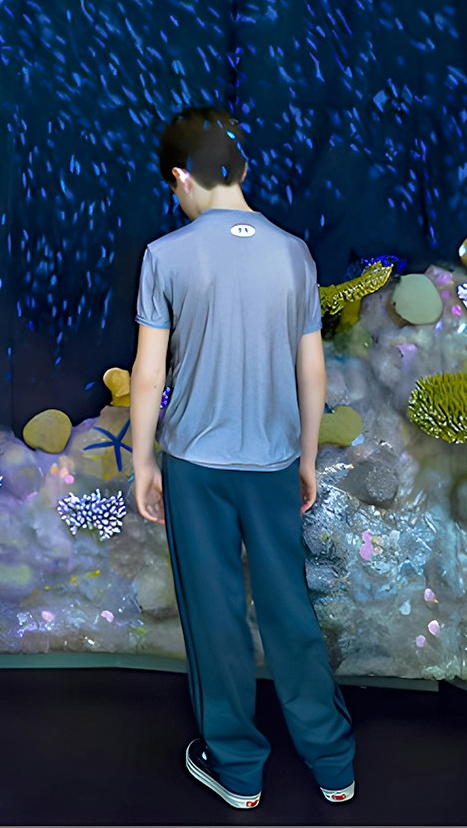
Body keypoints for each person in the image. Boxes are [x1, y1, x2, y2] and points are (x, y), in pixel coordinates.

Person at [127, 107, 356, 811]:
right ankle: (333, 763)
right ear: (243, 170)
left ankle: (239, 769)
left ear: (179, 178)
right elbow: (311, 373)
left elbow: (146, 371)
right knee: (291, 607)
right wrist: (307, 458)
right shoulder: (293, 252)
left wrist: (142, 461)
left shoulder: (166, 254)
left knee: (217, 614)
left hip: (196, 464)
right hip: (274, 460)